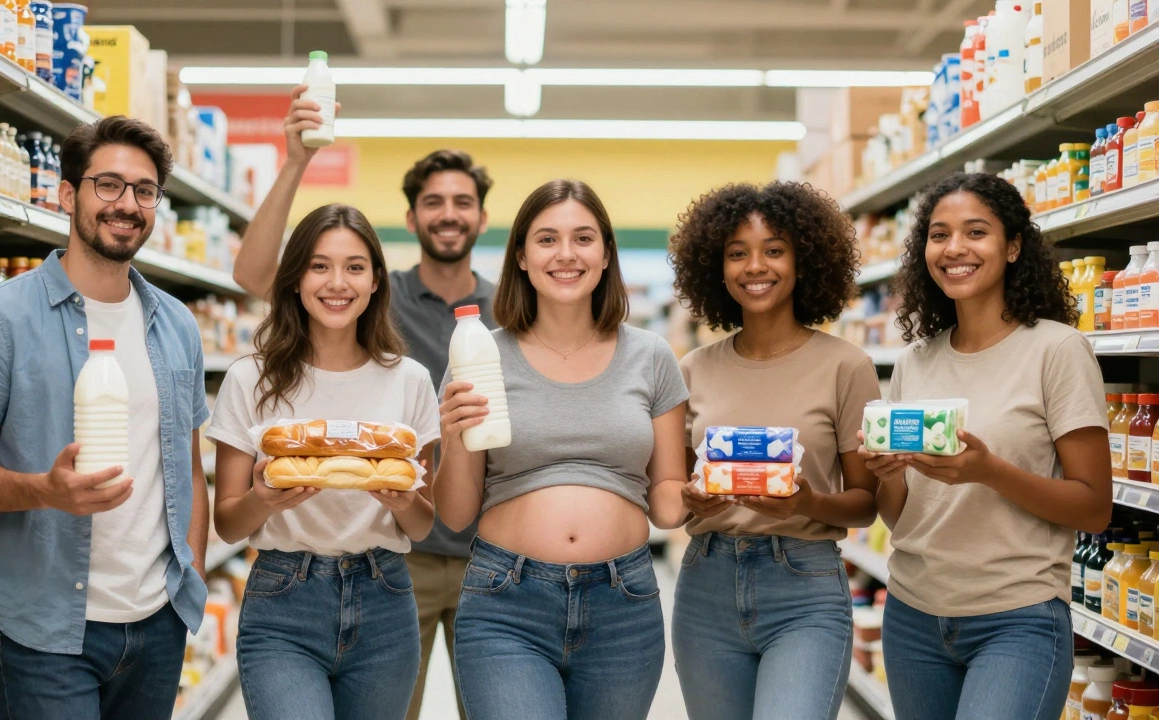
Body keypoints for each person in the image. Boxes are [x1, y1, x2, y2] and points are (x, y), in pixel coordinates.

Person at [0, 117, 210, 720]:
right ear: (65, 194)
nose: (126, 204)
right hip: (45, 632)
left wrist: (189, 576)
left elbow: (187, 468)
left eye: (144, 190)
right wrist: (45, 491)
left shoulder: (177, 325)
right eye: (107, 185)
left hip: (157, 625)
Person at [232, 86, 494, 719]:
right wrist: (294, 159)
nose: (449, 214)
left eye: (463, 202)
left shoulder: (508, 309)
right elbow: (257, 275)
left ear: (483, 217)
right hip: (395, 555)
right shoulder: (377, 296)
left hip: (490, 554)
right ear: (411, 219)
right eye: (433, 202)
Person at [436, 179, 691, 720]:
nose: (566, 254)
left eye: (583, 238)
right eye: (547, 239)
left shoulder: (652, 356)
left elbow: (668, 503)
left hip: (624, 604)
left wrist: (712, 484)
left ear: (605, 256)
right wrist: (455, 438)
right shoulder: (480, 355)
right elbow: (456, 514)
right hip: (506, 602)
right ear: (522, 258)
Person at [861, 172, 1111, 720]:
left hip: (1017, 617)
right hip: (913, 615)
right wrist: (886, 474)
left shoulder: (1057, 350)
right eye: (938, 234)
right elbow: (901, 520)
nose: (954, 249)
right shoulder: (915, 361)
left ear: (1013, 245)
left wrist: (988, 470)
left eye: (976, 232)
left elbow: (1093, 507)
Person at [209, 201, 439, 720]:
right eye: (319, 266)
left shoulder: (410, 381)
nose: (337, 283)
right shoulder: (252, 379)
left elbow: (423, 525)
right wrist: (262, 499)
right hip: (282, 598)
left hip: (385, 597)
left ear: (376, 281)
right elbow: (226, 523)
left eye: (355, 267)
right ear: (294, 278)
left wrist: (403, 503)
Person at [666, 182, 881, 720]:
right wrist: (693, 498)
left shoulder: (846, 366)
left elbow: (865, 502)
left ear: (803, 259)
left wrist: (806, 503)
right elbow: (671, 490)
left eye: (774, 250)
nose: (755, 266)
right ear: (715, 267)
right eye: (737, 252)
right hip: (706, 586)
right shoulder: (692, 369)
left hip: (804, 587)